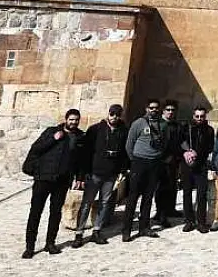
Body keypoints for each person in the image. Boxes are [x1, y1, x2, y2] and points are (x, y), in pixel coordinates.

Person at [21, 108, 85, 258]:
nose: (73, 122)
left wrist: (80, 178)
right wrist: (54, 139)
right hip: (43, 178)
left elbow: (81, 161)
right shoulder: (51, 131)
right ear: (66, 119)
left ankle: (50, 243)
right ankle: (30, 247)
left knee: (55, 213)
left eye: (76, 120)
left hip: (62, 181)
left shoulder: (80, 136)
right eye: (71, 120)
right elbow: (36, 149)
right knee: (35, 213)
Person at [72, 104, 128, 248]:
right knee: (87, 203)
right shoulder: (95, 129)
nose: (114, 117)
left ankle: (97, 230)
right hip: (95, 173)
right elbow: (86, 153)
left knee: (105, 203)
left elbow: (124, 153)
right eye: (112, 114)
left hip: (111, 174)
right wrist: (81, 175)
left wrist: (122, 170)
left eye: (117, 115)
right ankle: (79, 233)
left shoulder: (123, 131)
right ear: (108, 114)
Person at [122, 100, 168, 242]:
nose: (154, 110)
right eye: (151, 107)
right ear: (146, 108)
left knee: (148, 197)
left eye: (156, 108)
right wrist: (135, 160)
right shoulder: (138, 123)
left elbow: (164, 142)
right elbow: (129, 144)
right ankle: (127, 230)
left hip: (155, 163)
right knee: (133, 196)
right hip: (139, 162)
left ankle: (144, 227)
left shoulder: (163, 124)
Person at [179, 105, 216, 233]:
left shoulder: (209, 130)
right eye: (197, 116)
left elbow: (210, 147)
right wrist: (185, 153)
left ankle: (201, 221)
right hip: (187, 165)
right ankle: (189, 221)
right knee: (187, 193)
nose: (199, 118)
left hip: (201, 165)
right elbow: (179, 143)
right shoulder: (185, 128)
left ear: (205, 117)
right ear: (193, 116)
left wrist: (199, 154)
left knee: (201, 194)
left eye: (202, 116)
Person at [153, 100, 182, 228]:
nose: (170, 112)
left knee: (172, 186)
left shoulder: (176, 126)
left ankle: (171, 209)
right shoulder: (158, 124)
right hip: (161, 161)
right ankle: (160, 214)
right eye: (168, 110)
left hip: (174, 161)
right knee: (161, 188)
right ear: (163, 111)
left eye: (172, 110)